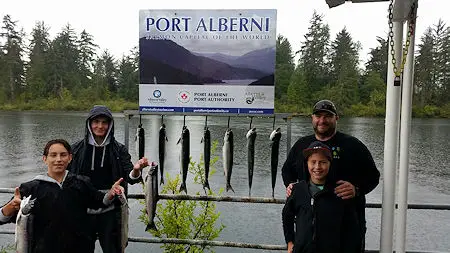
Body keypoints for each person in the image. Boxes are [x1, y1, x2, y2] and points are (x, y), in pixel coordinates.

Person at [281, 99, 380, 252]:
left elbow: (373, 176)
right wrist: (291, 186)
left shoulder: (353, 145)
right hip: (309, 232)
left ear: (336, 118)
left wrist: (357, 189)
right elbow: (287, 171)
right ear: (312, 118)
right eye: (318, 116)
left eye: (327, 116)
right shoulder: (301, 145)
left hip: (348, 227)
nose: (322, 120)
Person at [0, 139, 124, 253]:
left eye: (63, 155)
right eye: (53, 155)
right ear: (44, 159)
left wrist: (111, 193)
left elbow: (100, 201)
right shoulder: (30, 189)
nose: (58, 159)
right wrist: (10, 207)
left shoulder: (82, 183)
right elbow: (2, 217)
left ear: (70, 158)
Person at [68, 105, 149, 253]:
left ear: (110, 125)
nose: (100, 126)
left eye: (104, 122)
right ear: (89, 124)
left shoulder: (119, 149)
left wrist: (136, 170)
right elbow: (65, 178)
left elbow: (130, 178)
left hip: (111, 212)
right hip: (82, 212)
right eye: (96, 121)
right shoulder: (75, 149)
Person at [282, 141, 361, 253]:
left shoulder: (340, 192)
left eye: (323, 162)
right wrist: (290, 242)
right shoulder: (297, 190)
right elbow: (287, 217)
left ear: (330, 164)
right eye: (313, 162)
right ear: (307, 164)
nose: (317, 167)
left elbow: (352, 228)